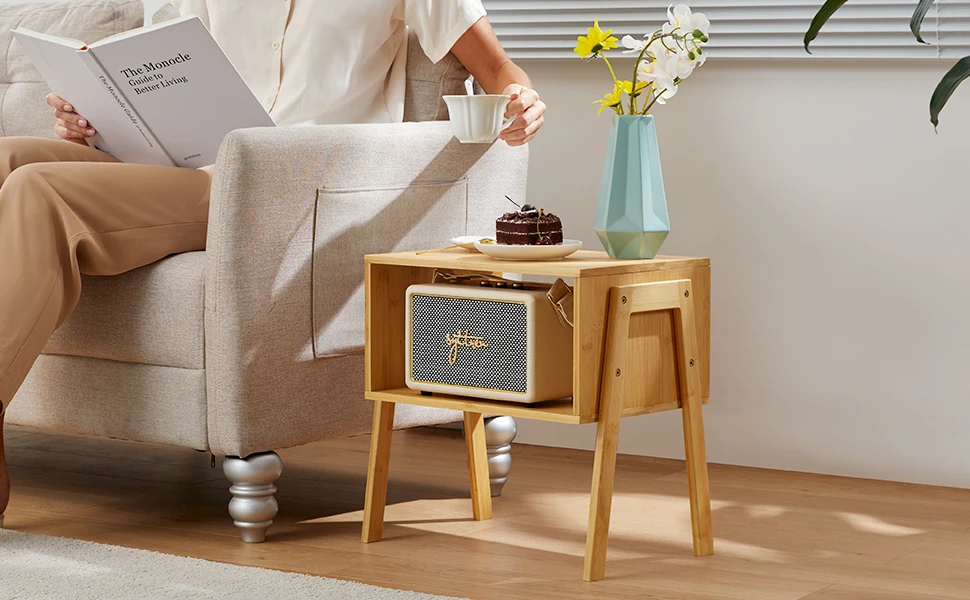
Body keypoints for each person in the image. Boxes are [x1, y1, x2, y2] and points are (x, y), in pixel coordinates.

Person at [0, 0, 546, 523]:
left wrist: (520, 101)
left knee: (38, 189)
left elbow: (498, 68)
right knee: (8, 157)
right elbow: (158, 83)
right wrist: (94, 120)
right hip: (188, 166)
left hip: (284, 187)